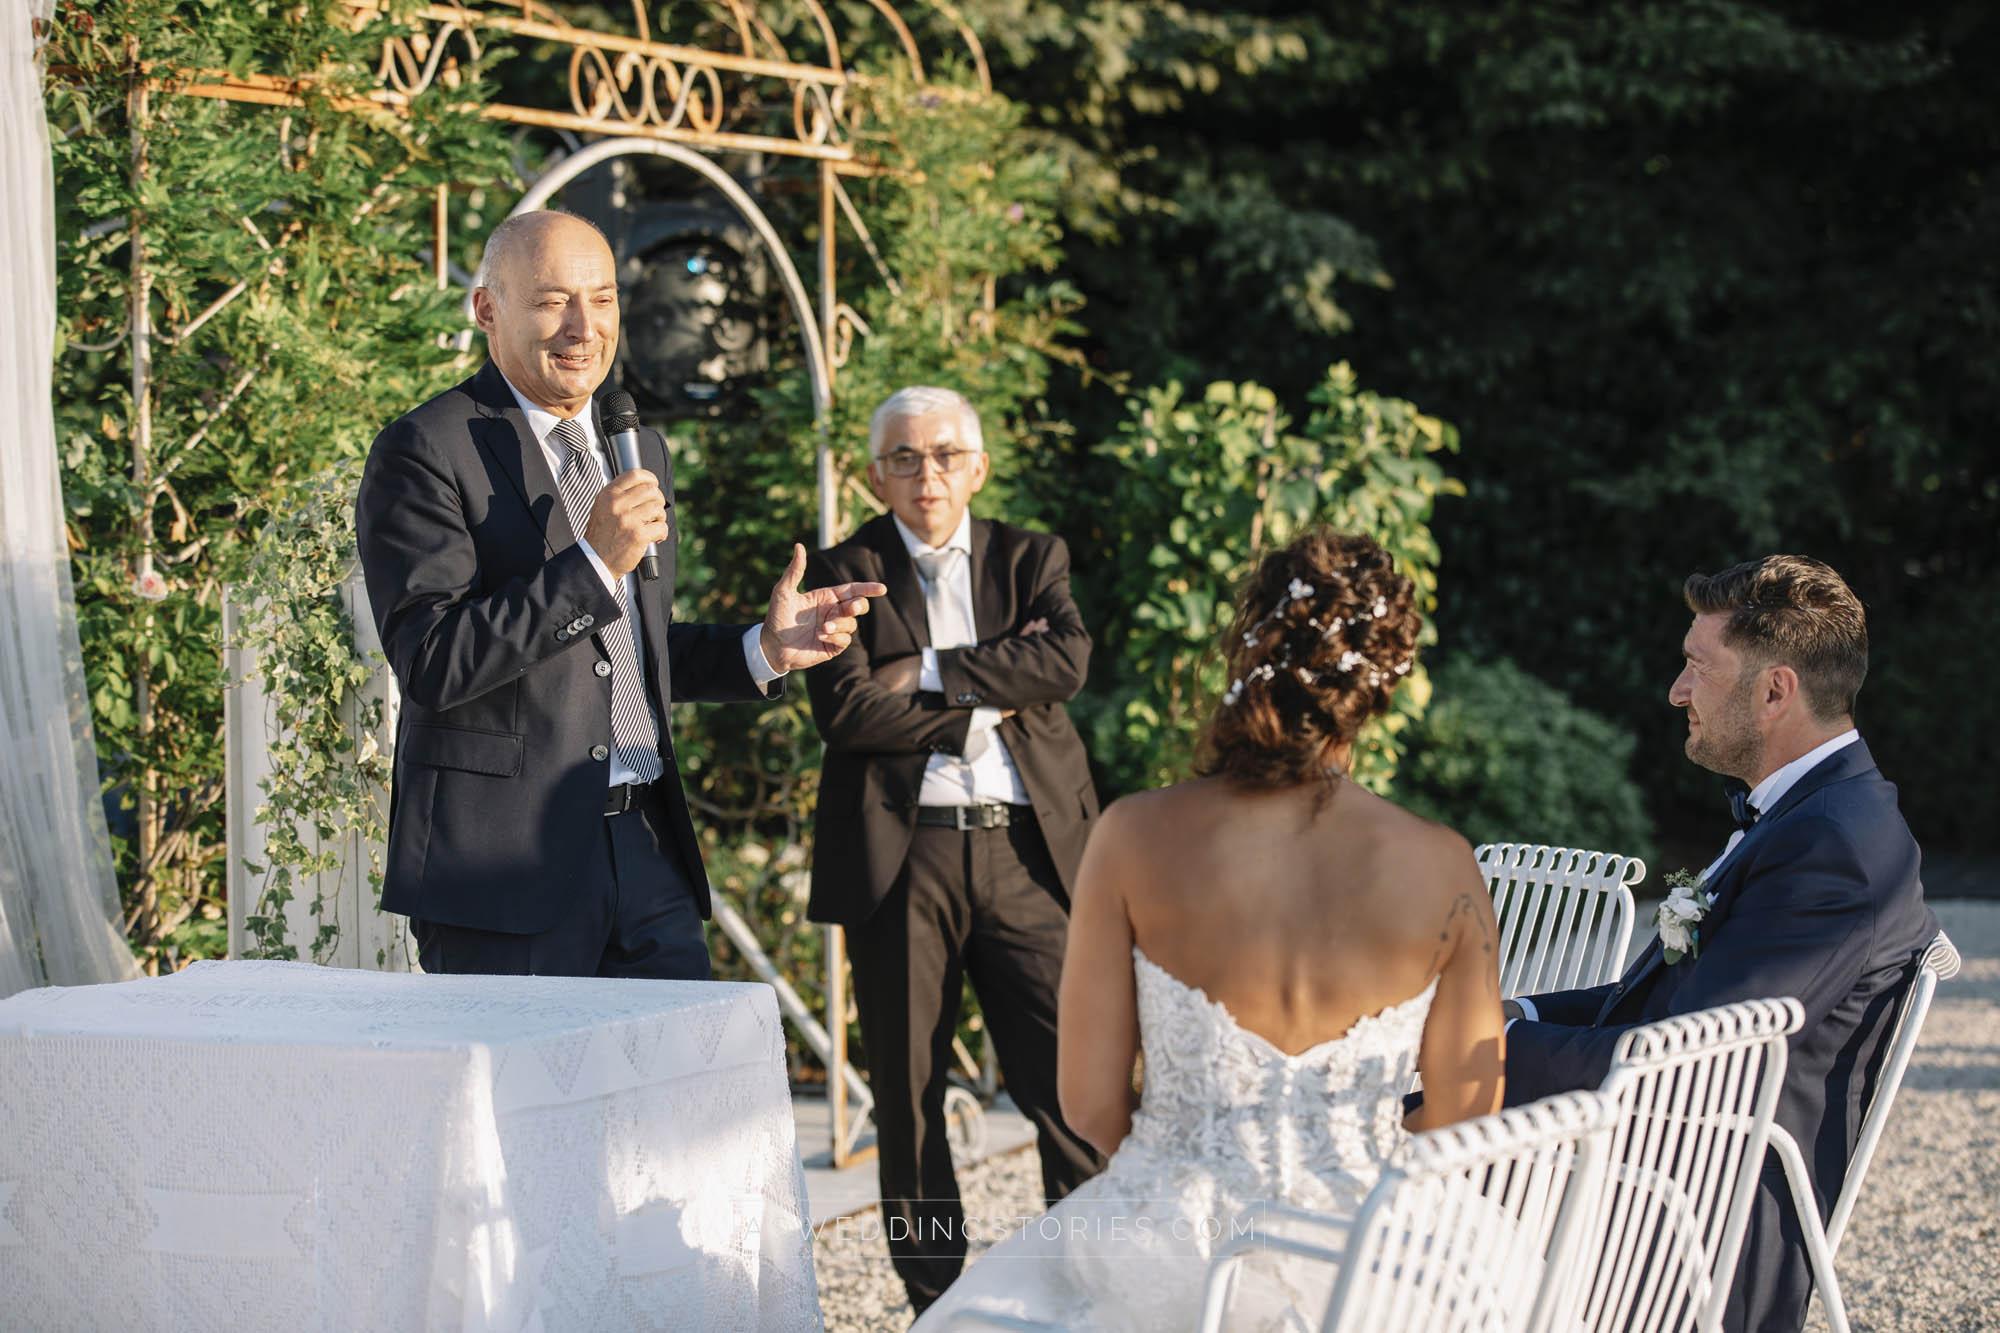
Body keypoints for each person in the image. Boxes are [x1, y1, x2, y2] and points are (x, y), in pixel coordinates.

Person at [915, 529, 1506, 1332]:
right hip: (1374, 1249)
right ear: (1378, 682)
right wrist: (1350, 1146)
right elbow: (1468, 1111)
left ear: (1248, 651)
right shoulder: (1444, 864)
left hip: (1170, 1242)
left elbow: (1087, 1105)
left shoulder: (1132, 833)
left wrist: (1181, 1156)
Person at [354, 210, 883, 980]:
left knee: (676, 1096)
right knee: (525, 1104)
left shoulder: (634, 447)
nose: (583, 326)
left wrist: (761, 649)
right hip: (506, 872)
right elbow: (434, 660)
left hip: (646, 852)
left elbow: (627, 652)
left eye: (601, 299)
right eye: (551, 302)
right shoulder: (426, 449)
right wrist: (591, 563)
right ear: (487, 309)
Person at [1502, 555, 1936, 1333]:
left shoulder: (1835, 847)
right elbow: (1668, 1006)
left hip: (1693, 1226)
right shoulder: (1807, 817)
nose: (1676, 689)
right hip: (1654, 1165)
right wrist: (1513, 1010)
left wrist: (1488, 1047)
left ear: (1775, 691)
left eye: (1696, 665)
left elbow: (1687, 1065)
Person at [802, 386, 1105, 1314]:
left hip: (1026, 854)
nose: (925, 473)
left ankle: (1091, 1286)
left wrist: (928, 673)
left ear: (976, 466)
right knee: (909, 1089)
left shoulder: (1029, 556)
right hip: (907, 859)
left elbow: (1065, 662)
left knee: (1071, 1084)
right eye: (903, 456)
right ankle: (935, 1297)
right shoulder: (841, 567)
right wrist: (973, 718)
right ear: (873, 472)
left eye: (943, 454)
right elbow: (846, 710)